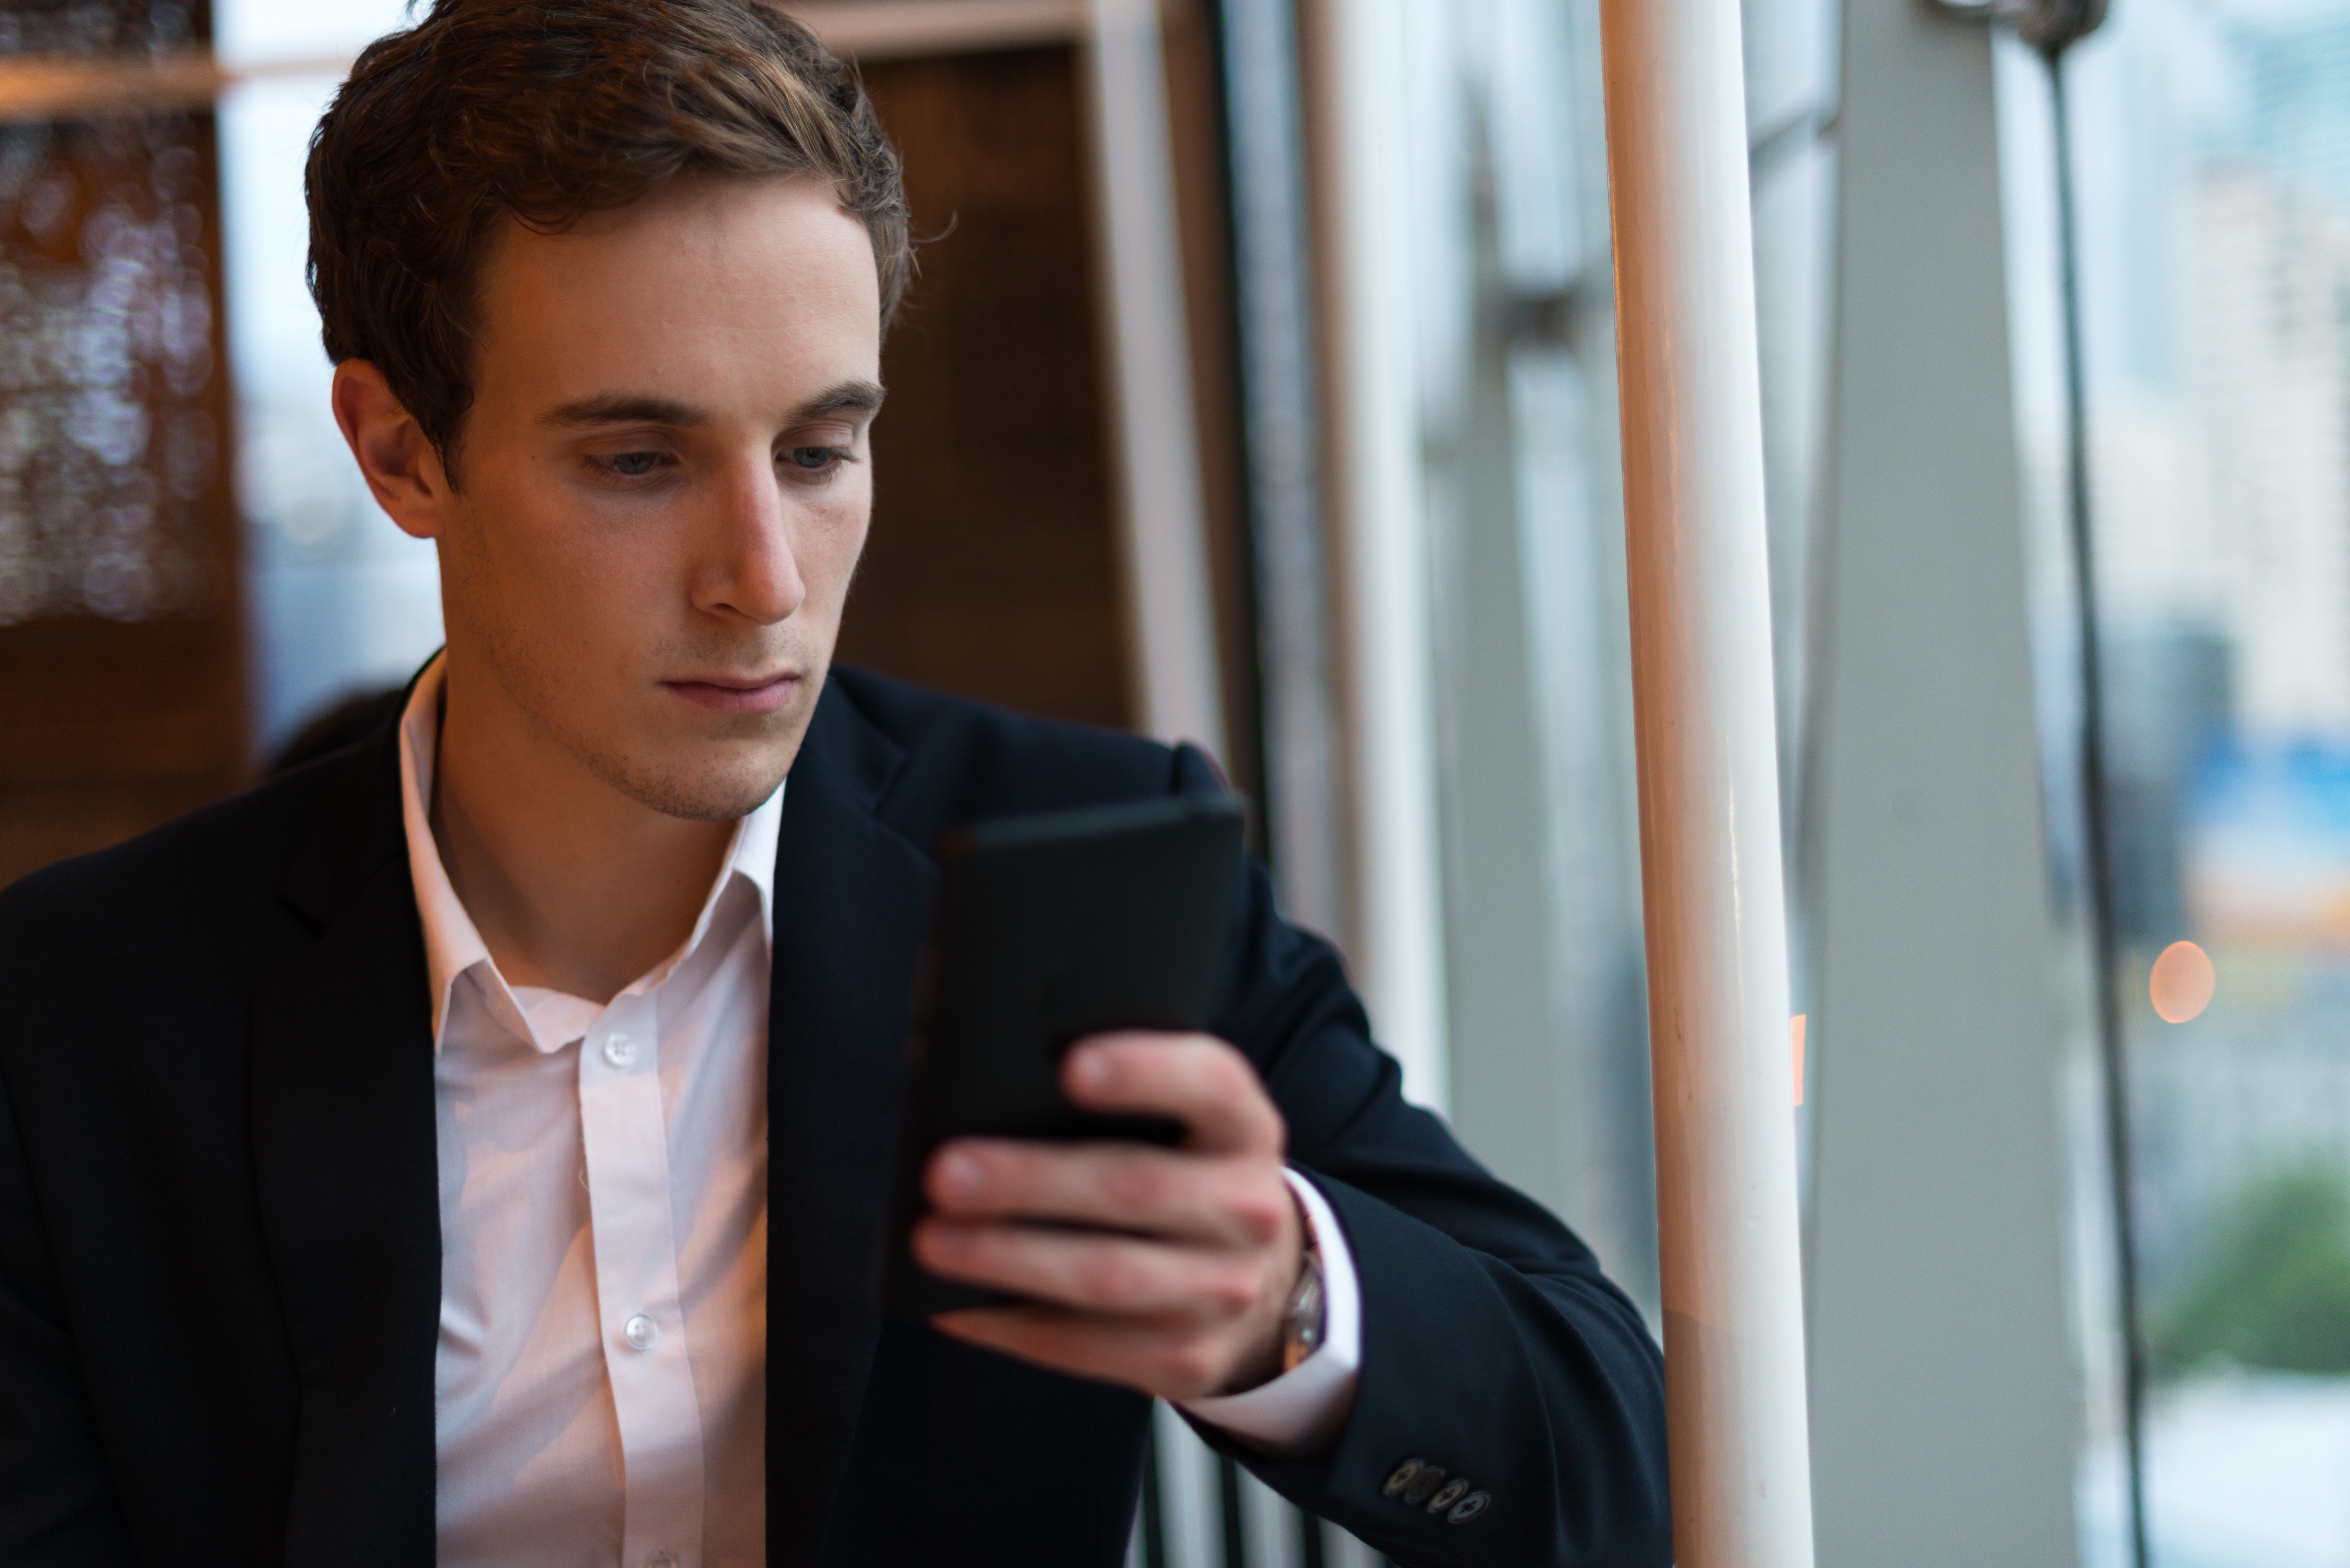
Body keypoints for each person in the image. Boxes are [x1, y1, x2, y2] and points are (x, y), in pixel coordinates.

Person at [0, 4, 1670, 1565]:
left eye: (817, 452)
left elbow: (1616, 1454)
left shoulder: (1069, 867)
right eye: (638, 462)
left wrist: (1285, 1304)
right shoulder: (76, 1019)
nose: (764, 578)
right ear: (398, 453)